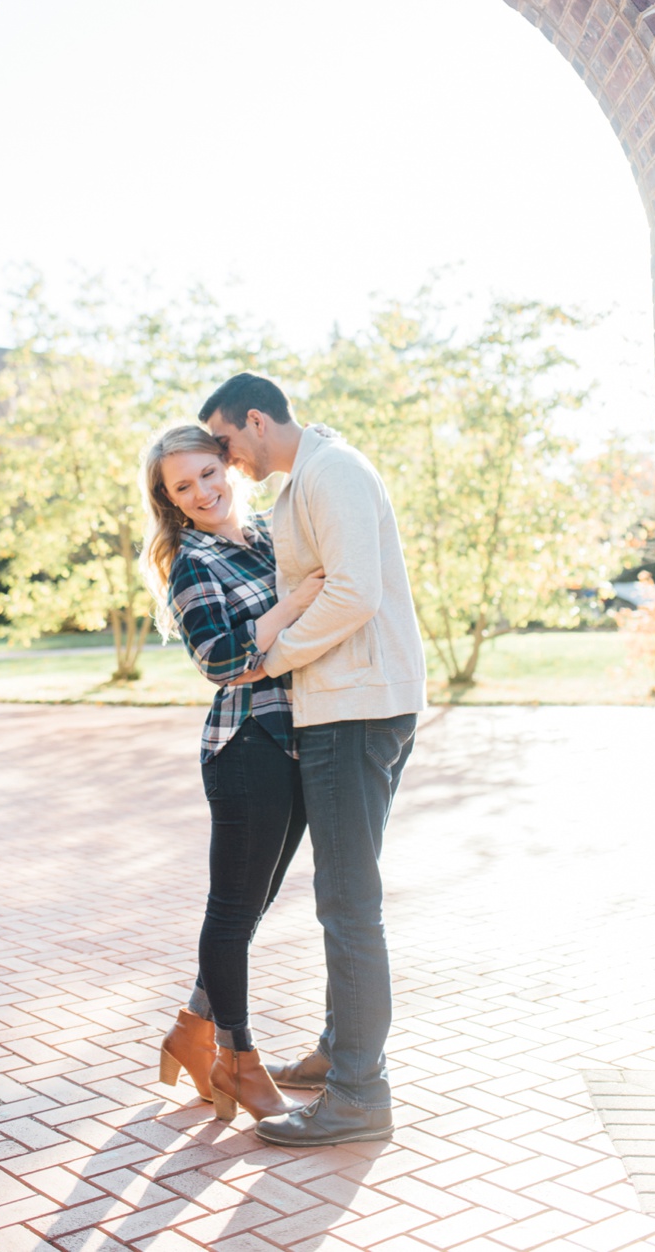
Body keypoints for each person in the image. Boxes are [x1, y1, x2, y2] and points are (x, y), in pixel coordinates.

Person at [200, 372, 426, 1148]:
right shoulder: (306, 480)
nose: (225, 464)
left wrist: (272, 659)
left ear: (255, 421)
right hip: (345, 704)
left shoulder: (333, 473)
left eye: (225, 445)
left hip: (355, 708)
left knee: (348, 902)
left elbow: (355, 594)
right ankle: (342, 1050)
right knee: (345, 894)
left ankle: (360, 1092)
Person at [143, 424, 324, 1124]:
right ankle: (239, 1061)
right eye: (183, 488)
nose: (203, 493)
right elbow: (221, 661)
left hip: (293, 744)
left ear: (230, 467)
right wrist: (293, 604)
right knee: (231, 911)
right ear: (171, 502)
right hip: (245, 747)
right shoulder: (192, 561)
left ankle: (191, 1032)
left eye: (208, 474)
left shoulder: (268, 539)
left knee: (251, 908)